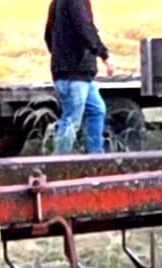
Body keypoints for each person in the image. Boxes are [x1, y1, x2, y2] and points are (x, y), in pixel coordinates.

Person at [44, 0, 109, 154]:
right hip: (75, 75)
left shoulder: (56, 3)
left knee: (97, 110)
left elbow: (48, 36)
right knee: (71, 121)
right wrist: (104, 55)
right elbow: (85, 29)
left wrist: (60, 56)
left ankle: (95, 157)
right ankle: (60, 162)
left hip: (77, 74)